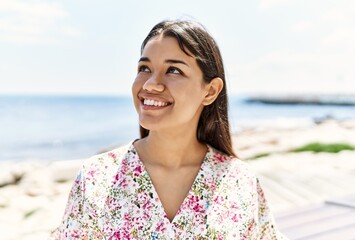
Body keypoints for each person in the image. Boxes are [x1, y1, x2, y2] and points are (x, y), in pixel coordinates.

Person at [51, 20, 287, 239]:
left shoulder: (239, 182)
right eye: (144, 68)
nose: (151, 84)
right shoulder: (96, 177)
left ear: (210, 91)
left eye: (174, 70)